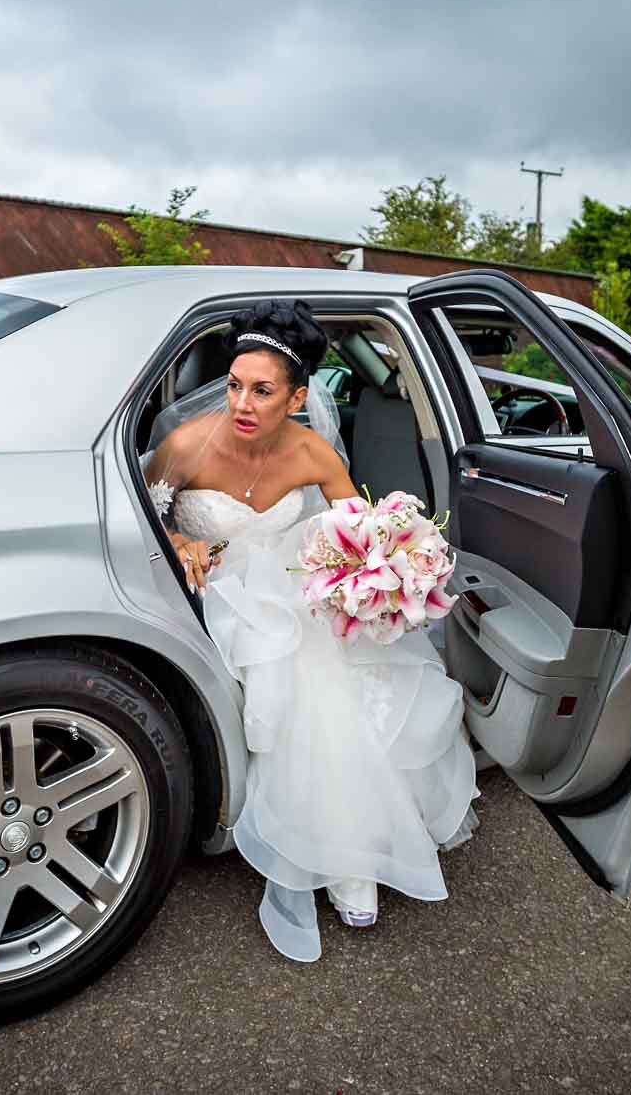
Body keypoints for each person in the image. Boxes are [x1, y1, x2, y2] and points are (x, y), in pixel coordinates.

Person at [144, 299, 478, 962]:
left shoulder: (313, 448)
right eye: (235, 383)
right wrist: (180, 535)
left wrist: (395, 564)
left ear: (298, 396)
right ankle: (334, 854)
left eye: (262, 390)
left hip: (297, 586)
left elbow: (362, 530)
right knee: (296, 668)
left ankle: (348, 853)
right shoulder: (186, 444)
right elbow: (139, 514)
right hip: (217, 595)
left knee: (323, 670)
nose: (241, 401)